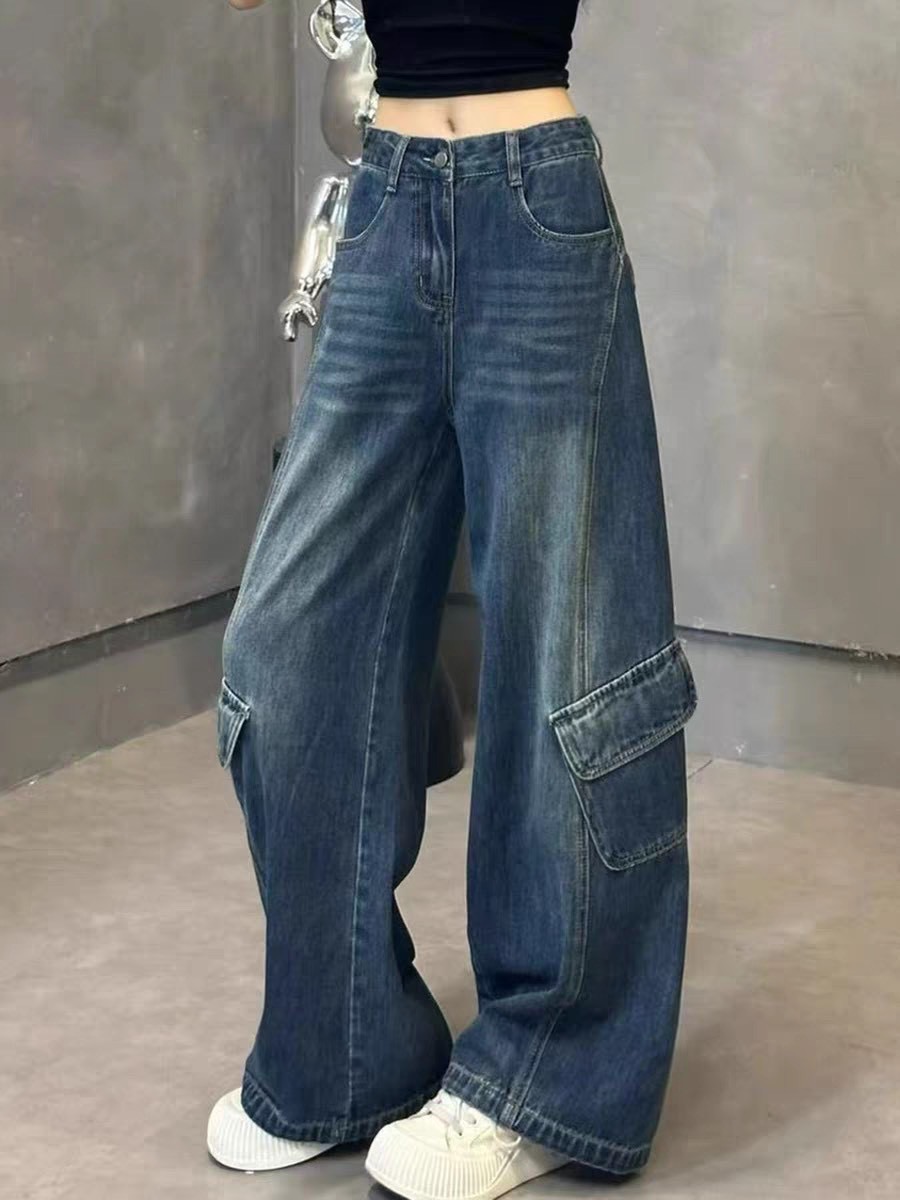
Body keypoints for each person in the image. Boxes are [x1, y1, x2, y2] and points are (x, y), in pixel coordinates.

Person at [209, 2, 699, 1197]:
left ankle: (550, 1073)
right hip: (385, 200)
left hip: (535, 202)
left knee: (567, 653)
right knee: (287, 650)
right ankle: (345, 1052)